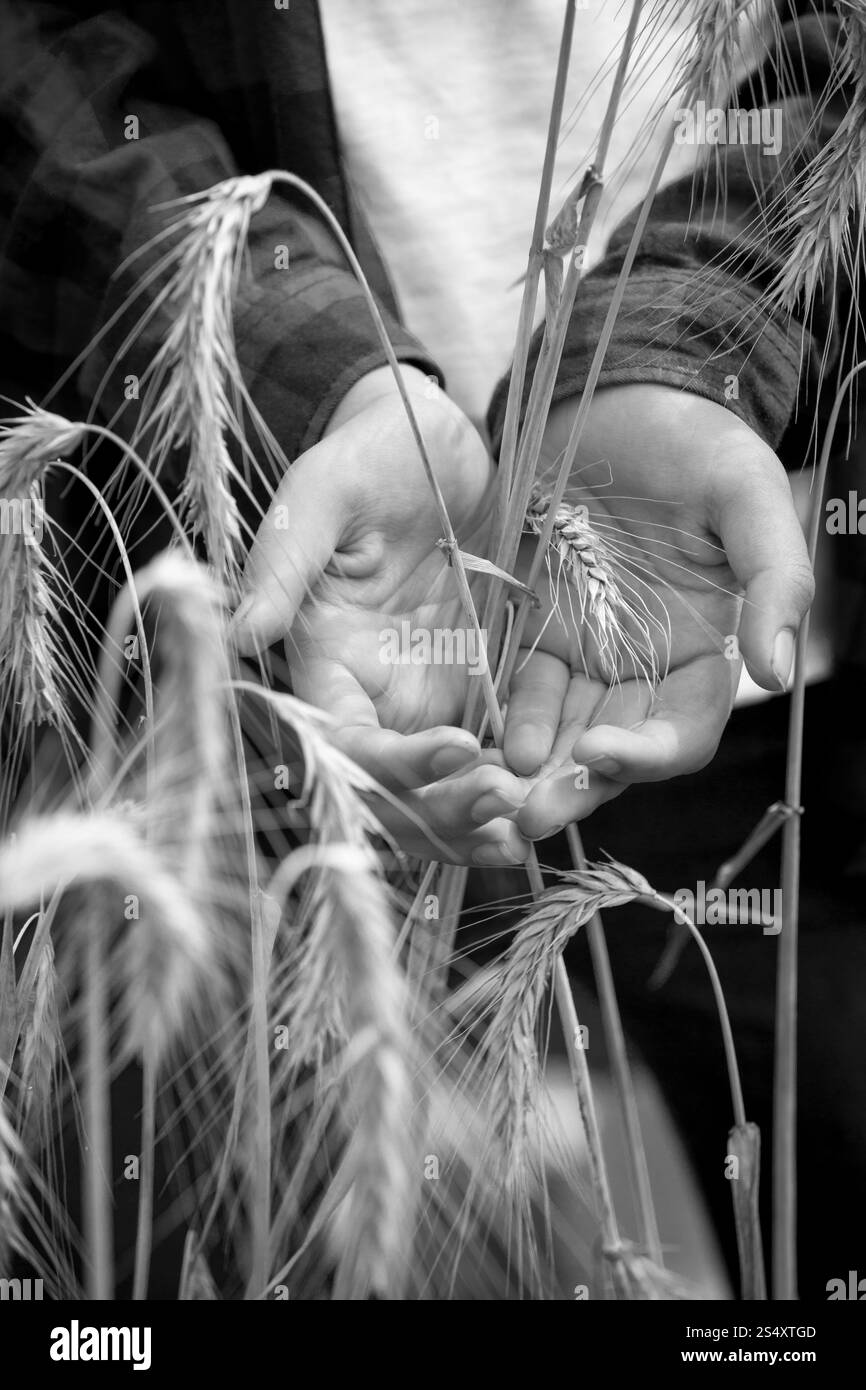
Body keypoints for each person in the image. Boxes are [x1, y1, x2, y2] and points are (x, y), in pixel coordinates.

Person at [0, 0, 856, 1296]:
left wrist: (680, 342)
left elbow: (839, 67)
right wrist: (314, 369)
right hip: (290, 674)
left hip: (743, 617)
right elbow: (39, 59)